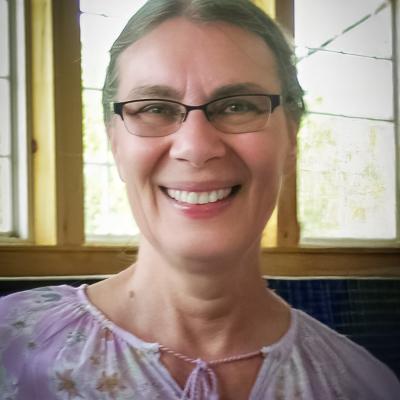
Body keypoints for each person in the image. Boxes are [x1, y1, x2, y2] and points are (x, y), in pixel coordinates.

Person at [0, 0, 399, 399]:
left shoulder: (363, 386)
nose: (196, 147)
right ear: (115, 144)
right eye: (155, 108)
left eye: (238, 106)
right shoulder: (12, 348)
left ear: (291, 138)